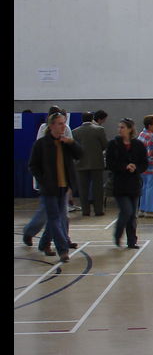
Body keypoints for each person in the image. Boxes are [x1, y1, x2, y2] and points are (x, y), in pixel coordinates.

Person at [28, 111, 83, 262]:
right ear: (51, 126)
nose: (63, 126)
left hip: (63, 187)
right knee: (54, 218)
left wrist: (72, 143)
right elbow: (33, 165)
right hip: (49, 188)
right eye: (59, 123)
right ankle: (63, 249)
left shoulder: (65, 143)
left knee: (61, 218)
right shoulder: (41, 144)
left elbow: (80, 154)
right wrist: (43, 180)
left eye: (64, 123)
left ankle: (44, 243)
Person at [106, 118, 148, 249]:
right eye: (119, 127)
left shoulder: (138, 145)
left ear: (130, 129)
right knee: (126, 211)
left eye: (123, 127)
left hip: (134, 184)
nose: (120, 130)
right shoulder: (114, 144)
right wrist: (124, 166)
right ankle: (118, 234)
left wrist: (136, 168)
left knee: (132, 216)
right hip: (120, 184)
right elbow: (110, 164)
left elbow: (144, 163)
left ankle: (132, 240)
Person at [72, 111, 108, 216]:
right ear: (92, 118)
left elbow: (74, 148)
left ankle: (85, 211)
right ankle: (98, 210)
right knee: (97, 188)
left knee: (83, 189)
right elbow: (105, 145)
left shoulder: (75, 132)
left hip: (80, 163)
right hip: (96, 162)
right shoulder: (99, 130)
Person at [137, 115, 153, 219]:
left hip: (143, 168)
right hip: (152, 168)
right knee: (152, 189)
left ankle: (142, 209)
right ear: (149, 125)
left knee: (144, 188)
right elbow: (152, 153)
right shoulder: (151, 137)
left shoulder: (142, 134)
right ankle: (150, 211)